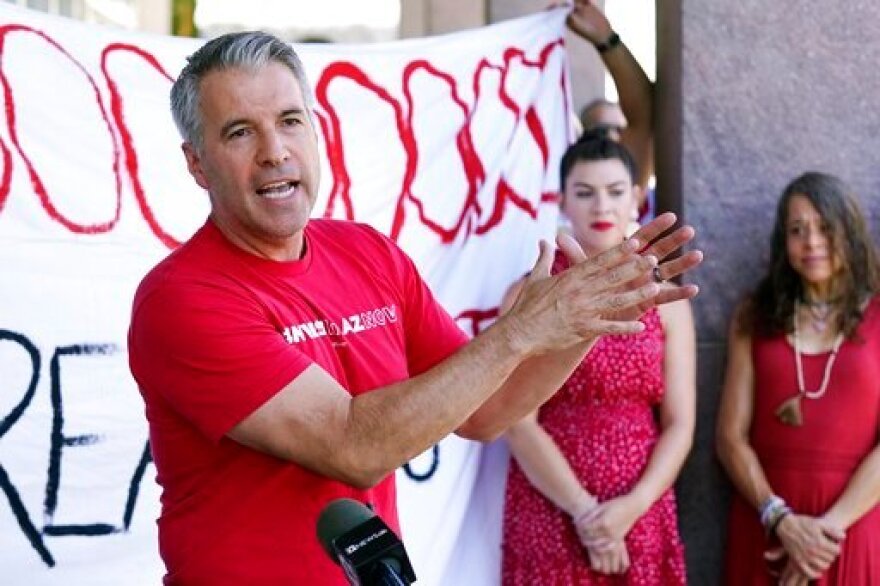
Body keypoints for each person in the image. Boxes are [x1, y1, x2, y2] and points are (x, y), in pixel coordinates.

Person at [126, 31, 702, 585]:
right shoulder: (180, 298)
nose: (275, 152)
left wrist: (584, 318)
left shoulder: (366, 252)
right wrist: (521, 331)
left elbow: (488, 410)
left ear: (317, 131)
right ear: (197, 164)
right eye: (239, 133)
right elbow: (354, 448)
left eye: (290, 121)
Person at [501, 133, 694, 584]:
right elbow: (515, 419)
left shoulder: (663, 298)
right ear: (563, 200)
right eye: (585, 193)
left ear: (637, 200)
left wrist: (631, 508)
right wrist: (587, 515)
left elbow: (681, 424)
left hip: (641, 506)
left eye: (614, 192)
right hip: (552, 504)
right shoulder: (531, 293)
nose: (601, 207)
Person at [716, 172, 880, 585]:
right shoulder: (754, 314)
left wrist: (822, 535)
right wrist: (783, 522)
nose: (812, 243)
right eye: (797, 230)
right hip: (768, 526)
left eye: (825, 227)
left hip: (850, 529)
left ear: (851, 232)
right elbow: (729, 438)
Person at [568, 0, 654, 195]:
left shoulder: (629, 189)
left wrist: (606, 38)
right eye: (602, 130)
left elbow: (643, 117)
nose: (613, 137)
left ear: (633, 199)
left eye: (619, 129)